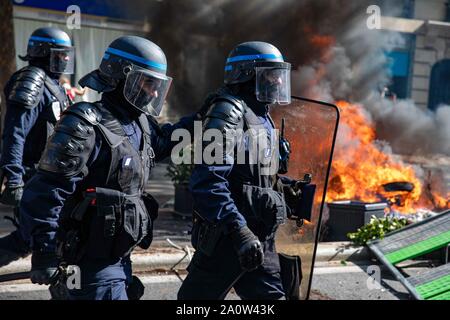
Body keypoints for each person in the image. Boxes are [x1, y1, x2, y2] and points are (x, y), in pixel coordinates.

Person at [20, 35, 199, 300]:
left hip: (119, 259)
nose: (152, 92)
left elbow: (160, 145)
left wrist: (202, 118)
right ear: (120, 76)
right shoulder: (84, 123)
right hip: (86, 265)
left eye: (156, 85)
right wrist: (44, 252)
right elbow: (46, 192)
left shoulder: (140, 124)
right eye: (147, 82)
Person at [178, 41, 295, 300]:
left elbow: (254, 174)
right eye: (271, 75)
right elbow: (208, 181)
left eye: (279, 75)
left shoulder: (262, 114)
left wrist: (283, 187)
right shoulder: (228, 111)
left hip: (261, 236)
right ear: (247, 74)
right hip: (229, 238)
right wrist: (239, 231)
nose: (277, 82)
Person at [0, 27, 73, 267]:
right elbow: (15, 133)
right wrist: (13, 178)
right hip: (34, 177)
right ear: (44, 52)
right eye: (60, 54)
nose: (65, 60)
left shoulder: (53, 85)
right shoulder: (32, 81)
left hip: (51, 177)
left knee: (41, 239)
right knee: (36, 239)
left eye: (66, 55)